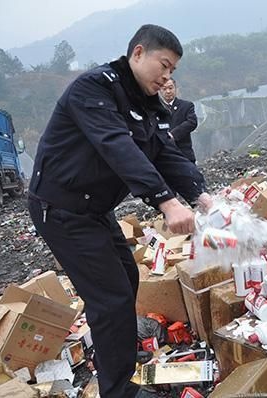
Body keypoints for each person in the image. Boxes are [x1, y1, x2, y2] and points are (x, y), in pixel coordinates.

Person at [27, 24, 212, 398]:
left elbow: (165, 152)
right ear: (138, 53)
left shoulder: (148, 105)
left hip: (94, 210)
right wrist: (166, 200)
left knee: (126, 280)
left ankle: (114, 356)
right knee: (109, 298)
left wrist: (200, 194)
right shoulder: (94, 89)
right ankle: (117, 390)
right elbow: (116, 146)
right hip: (61, 209)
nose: (167, 77)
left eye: (173, 70)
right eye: (164, 65)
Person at [160, 78, 198, 163]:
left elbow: (192, 122)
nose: (168, 91)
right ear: (160, 90)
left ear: (176, 88)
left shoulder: (186, 106)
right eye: (164, 89)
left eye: (170, 88)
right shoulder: (156, 109)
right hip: (164, 158)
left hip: (184, 154)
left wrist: (173, 135)